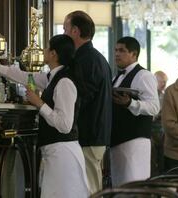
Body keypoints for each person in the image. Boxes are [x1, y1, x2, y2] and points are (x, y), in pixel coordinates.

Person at [0, 34, 89, 198]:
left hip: (63, 152)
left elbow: (64, 124)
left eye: (47, 48)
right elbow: (25, 77)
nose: (44, 51)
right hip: (55, 151)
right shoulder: (52, 77)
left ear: (54, 54)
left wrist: (39, 103)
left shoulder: (65, 82)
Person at [63, 11, 112, 193]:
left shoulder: (86, 60)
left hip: (89, 134)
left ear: (75, 31)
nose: (63, 34)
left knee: (90, 188)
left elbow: (81, 97)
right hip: (93, 133)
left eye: (65, 29)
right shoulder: (94, 57)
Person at [110, 36, 160, 186]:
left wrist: (130, 103)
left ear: (134, 54)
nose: (117, 54)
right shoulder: (116, 77)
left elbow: (154, 107)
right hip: (117, 141)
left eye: (122, 51)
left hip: (135, 142)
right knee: (120, 188)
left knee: (134, 187)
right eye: (116, 50)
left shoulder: (144, 75)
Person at [151, 70, 168, 176]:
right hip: (151, 132)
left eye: (165, 82)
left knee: (163, 159)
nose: (164, 84)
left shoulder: (166, 96)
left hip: (164, 132)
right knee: (152, 160)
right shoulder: (150, 95)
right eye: (161, 82)